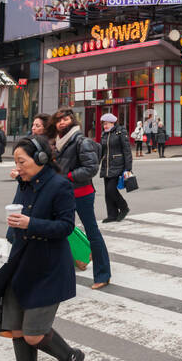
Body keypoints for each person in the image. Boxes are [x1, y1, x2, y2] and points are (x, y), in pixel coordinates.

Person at [0, 136, 85, 361]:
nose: (18, 167)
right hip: (21, 262)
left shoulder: (61, 185)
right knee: (17, 330)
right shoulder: (25, 183)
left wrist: (31, 223)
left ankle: (70, 358)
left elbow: (66, 227)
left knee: (33, 334)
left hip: (48, 267)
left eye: (22, 161)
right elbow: (19, 215)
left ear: (41, 159)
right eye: (15, 162)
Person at [53, 110, 111, 290]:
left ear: (73, 120)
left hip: (82, 193)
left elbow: (91, 168)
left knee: (92, 231)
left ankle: (103, 274)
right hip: (64, 193)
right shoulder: (58, 143)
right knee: (61, 229)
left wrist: (68, 176)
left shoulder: (81, 141)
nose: (62, 122)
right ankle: (78, 257)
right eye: (59, 120)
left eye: (66, 119)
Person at [98, 112, 133, 222]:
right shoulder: (104, 134)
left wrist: (128, 168)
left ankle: (123, 207)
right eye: (104, 124)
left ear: (113, 123)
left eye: (107, 123)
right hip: (106, 166)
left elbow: (127, 150)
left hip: (118, 165)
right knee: (107, 192)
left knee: (111, 189)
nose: (105, 126)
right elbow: (101, 151)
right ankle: (112, 215)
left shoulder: (120, 132)